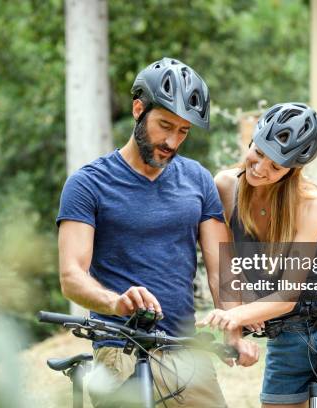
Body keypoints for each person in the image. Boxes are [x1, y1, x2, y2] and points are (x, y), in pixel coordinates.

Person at [56, 57, 259, 408]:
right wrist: (114, 303)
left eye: (183, 131)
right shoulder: (88, 184)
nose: (172, 141)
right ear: (138, 109)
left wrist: (234, 327)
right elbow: (72, 275)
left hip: (184, 348)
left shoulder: (197, 179)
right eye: (164, 125)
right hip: (119, 347)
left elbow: (221, 268)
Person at [198, 103, 317, 407]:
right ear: (252, 140)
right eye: (260, 152)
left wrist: (234, 315)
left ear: (293, 170)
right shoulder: (226, 186)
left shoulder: (310, 204)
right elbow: (226, 270)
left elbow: (288, 293)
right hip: (287, 329)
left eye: (276, 166)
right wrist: (235, 326)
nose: (261, 168)